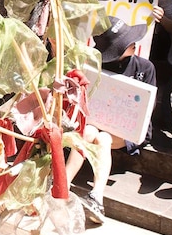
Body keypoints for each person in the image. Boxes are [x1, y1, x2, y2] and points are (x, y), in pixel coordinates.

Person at [65, 16, 156, 224]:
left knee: (104, 138)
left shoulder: (145, 68)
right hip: (94, 124)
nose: (133, 44)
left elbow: (146, 111)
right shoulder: (95, 67)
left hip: (125, 131)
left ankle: (97, 196)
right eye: (126, 43)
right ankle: (62, 185)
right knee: (88, 133)